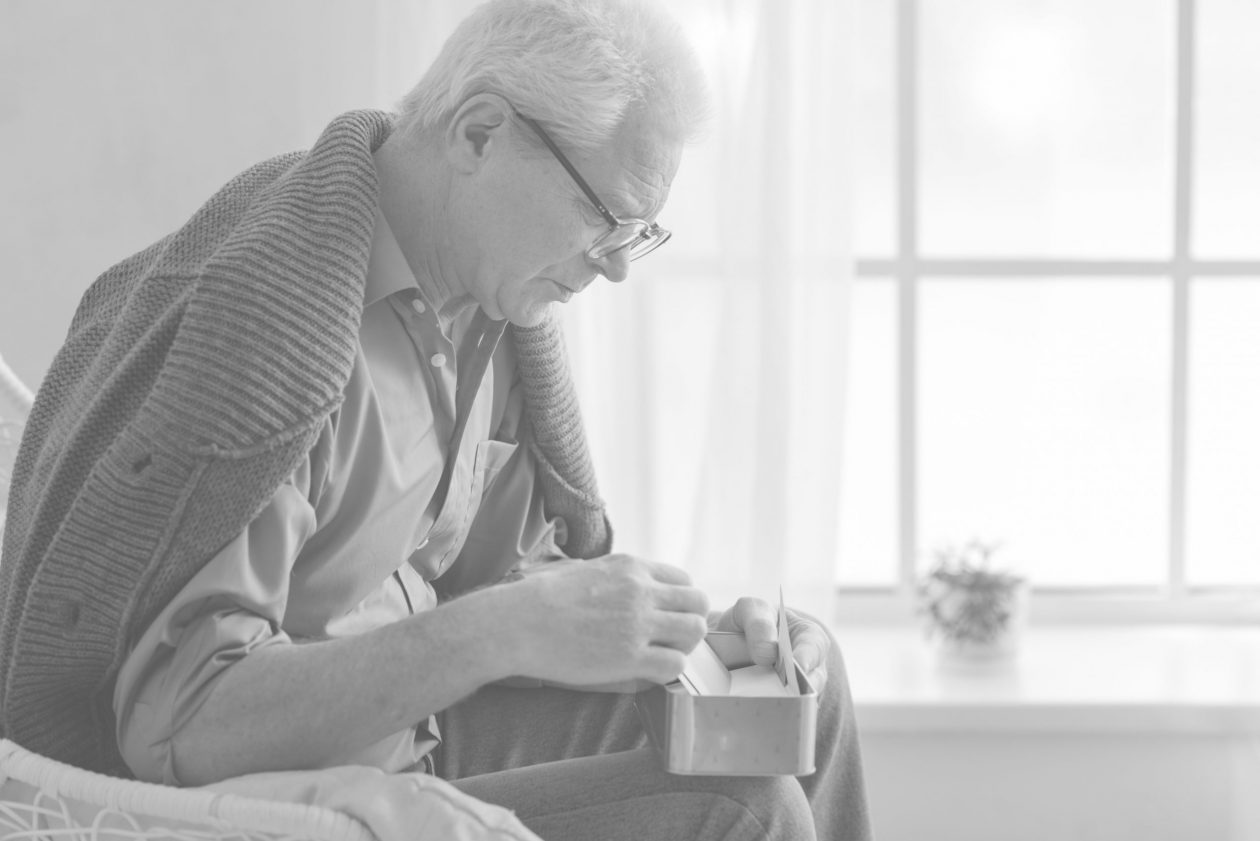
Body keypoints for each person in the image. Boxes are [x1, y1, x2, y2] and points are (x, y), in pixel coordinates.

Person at [0, 1, 871, 838]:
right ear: (479, 133)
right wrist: (498, 631)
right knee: (750, 808)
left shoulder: (495, 311)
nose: (613, 271)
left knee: (800, 690)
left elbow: (513, 579)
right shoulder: (271, 335)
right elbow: (178, 723)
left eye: (639, 235)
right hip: (296, 797)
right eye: (606, 220)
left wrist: (687, 643)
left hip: (429, 725)